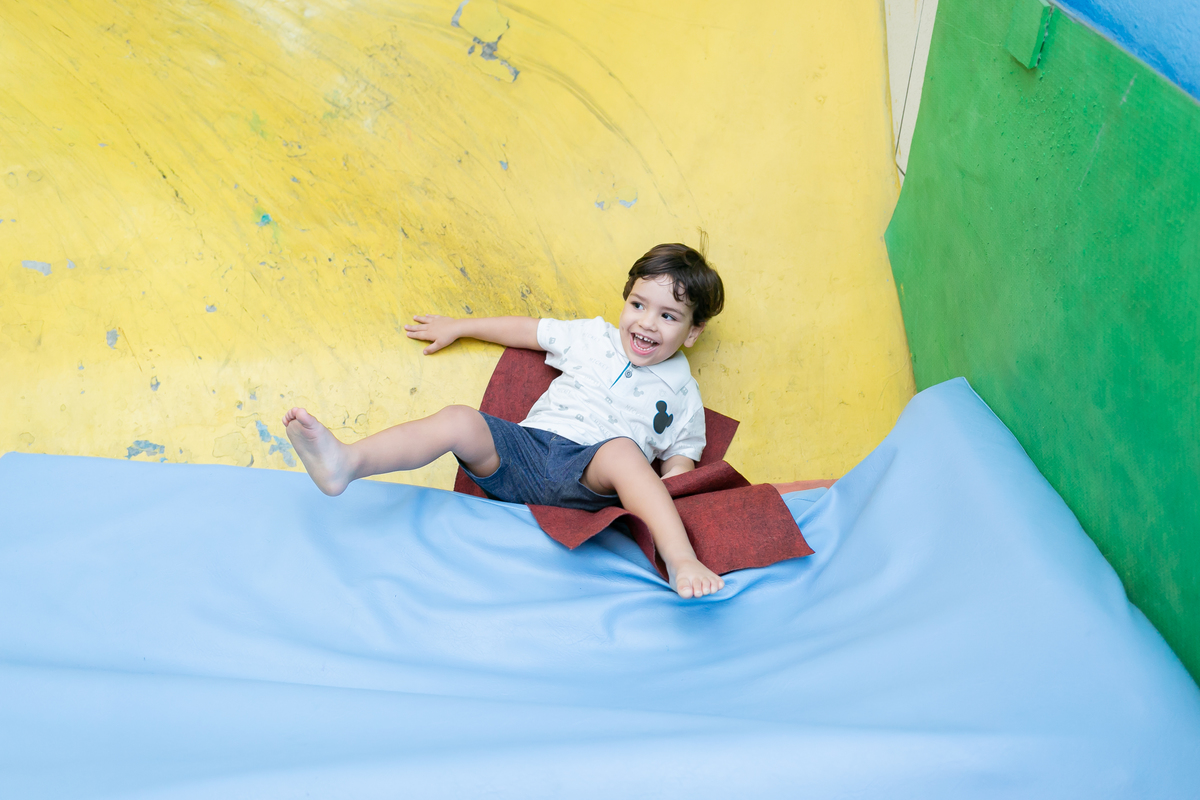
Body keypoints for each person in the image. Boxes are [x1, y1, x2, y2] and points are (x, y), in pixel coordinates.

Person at [283, 243, 726, 598]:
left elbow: (680, 464)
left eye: (668, 316)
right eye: (638, 305)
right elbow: (529, 330)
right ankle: (346, 463)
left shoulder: (683, 394)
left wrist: (664, 490)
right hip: (525, 453)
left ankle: (681, 560)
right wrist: (461, 326)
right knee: (460, 420)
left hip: (589, 478)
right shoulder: (593, 337)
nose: (646, 324)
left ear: (693, 331)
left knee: (624, 452)